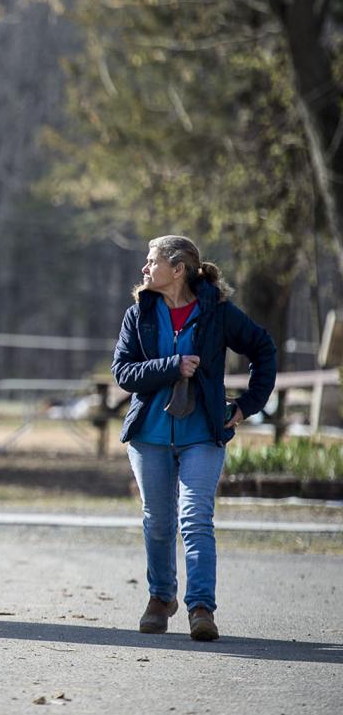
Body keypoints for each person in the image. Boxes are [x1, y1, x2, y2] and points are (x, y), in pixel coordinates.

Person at [112, 235, 276, 641]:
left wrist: (246, 405)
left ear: (177, 268)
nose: (145, 269)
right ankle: (160, 597)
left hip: (202, 433)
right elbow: (124, 373)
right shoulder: (139, 315)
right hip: (148, 436)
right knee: (157, 521)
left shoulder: (217, 312)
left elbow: (263, 348)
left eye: (152, 262)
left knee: (196, 519)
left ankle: (201, 608)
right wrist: (172, 366)